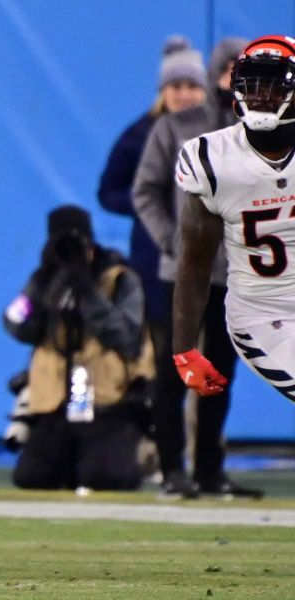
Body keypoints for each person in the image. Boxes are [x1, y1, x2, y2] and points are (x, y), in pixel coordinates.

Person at [132, 36, 260, 500]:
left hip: (234, 276)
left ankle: (209, 470)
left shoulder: (258, 130)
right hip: (183, 277)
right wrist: (175, 242)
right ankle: (172, 470)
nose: (234, 80)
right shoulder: (177, 127)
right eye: (228, 70)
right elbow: (144, 190)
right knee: (175, 372)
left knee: (220, 376)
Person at [173, 36, 295, 410]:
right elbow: (194, 263)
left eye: (273, 85)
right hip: (264, 317)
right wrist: (184, 351)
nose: (260, 95)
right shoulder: (213, 160)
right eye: (251, 84)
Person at [3, 206, 153, 492]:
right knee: (32, 478)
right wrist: (46, 287)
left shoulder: (119, 279)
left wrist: (87, 292)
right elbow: (16, 324)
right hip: (55, 404)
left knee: (106, 478)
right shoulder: (44, 280)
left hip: (109, 403)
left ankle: (139, 452)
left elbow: (125, 336)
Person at [100, 37, 206, 332]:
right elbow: (108, 192)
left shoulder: (219, 132)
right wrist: (151, 203)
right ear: (163, 92)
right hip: (155, 262)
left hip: (210, 266)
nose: (185, 95)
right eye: (176, 87)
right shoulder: (140, 135)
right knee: (163, 348)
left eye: (192, 86)